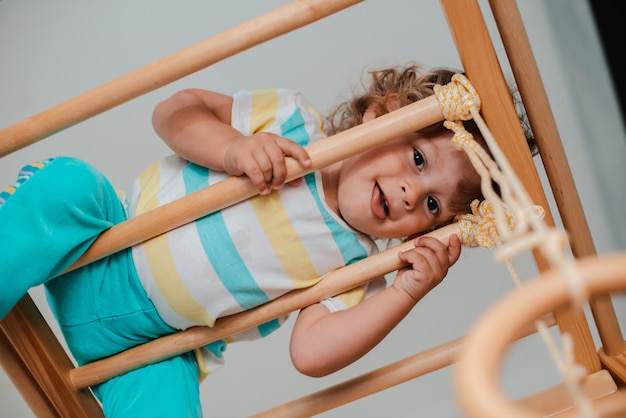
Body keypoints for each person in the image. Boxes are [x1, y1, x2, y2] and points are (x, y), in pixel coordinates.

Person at [0, 65, 531, 417]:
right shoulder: (291, 124)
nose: (412, 193)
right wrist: (233, 148)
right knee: (68, 185)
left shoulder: (356, 265)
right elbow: (173, 111)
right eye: (417, 159)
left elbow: (311, 354)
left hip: (149, 349)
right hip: (94, 246)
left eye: (434, 206)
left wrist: (404, 292)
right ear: (382, 113)